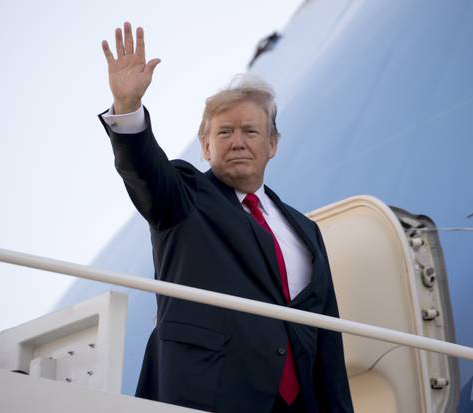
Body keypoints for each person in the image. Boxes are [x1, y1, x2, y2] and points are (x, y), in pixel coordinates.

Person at [98, 22, 354, 413]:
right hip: (207, 394)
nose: (237, 141)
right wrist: (128, 108)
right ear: (204, 145)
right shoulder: (183, 196)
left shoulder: (306, 231)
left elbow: (326, 339)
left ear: (272, 145)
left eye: (251, 131)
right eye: (224, 132)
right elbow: (143, 169)